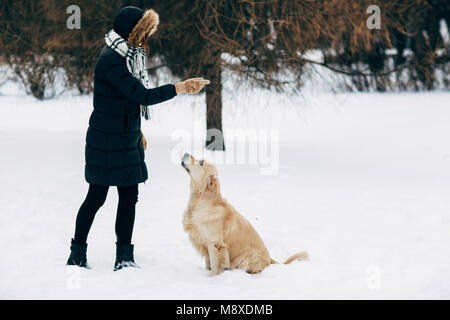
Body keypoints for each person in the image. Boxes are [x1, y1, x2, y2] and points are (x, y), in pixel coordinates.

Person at [66, 6, 210, 271]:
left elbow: (126, 101)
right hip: (105, 140)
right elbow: (140, 96)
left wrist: (137, 131)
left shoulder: (130, 57)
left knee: (129, 195)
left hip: (125, 136)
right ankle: (77, 254)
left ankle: (124, 257)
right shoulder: (112, 60)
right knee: (96, 196)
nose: (146, 42)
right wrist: (180, 87)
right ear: (132, 34)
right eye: (143, 35)